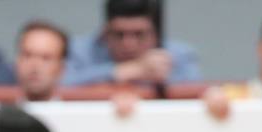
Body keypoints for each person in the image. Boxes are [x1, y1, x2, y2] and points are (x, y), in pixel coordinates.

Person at [64, 0, 199, 88]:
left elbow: (194, 92)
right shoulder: (78, 50)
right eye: (119, 34)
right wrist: (120, 71)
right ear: (104, 32)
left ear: (156, 34)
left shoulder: (179, 54)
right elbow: (56, 85)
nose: (129, 44)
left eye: (139, 34)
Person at [15, 20, 69, 102]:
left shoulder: (72, 114)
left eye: (45, 58)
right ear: (18, 61)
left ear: (61, 68)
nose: (35, 65)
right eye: (28, 55)